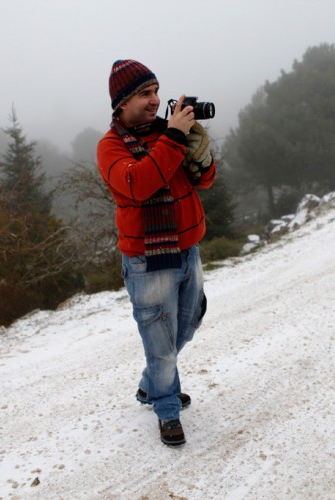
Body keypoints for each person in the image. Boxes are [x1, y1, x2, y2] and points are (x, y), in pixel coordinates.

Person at [96, 59, 216, 447]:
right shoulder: (110, 147)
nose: (155, 101)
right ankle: (166, 409)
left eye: (156, 92)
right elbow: (138, 184)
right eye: (145, 94)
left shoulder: (169, 134)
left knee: (188, 323)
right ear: (121, 103)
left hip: (188, 247)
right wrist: (176, 139)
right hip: (148, 260)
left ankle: (152, 384)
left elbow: (205, 181)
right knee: (160, 343)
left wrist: (201, 153)